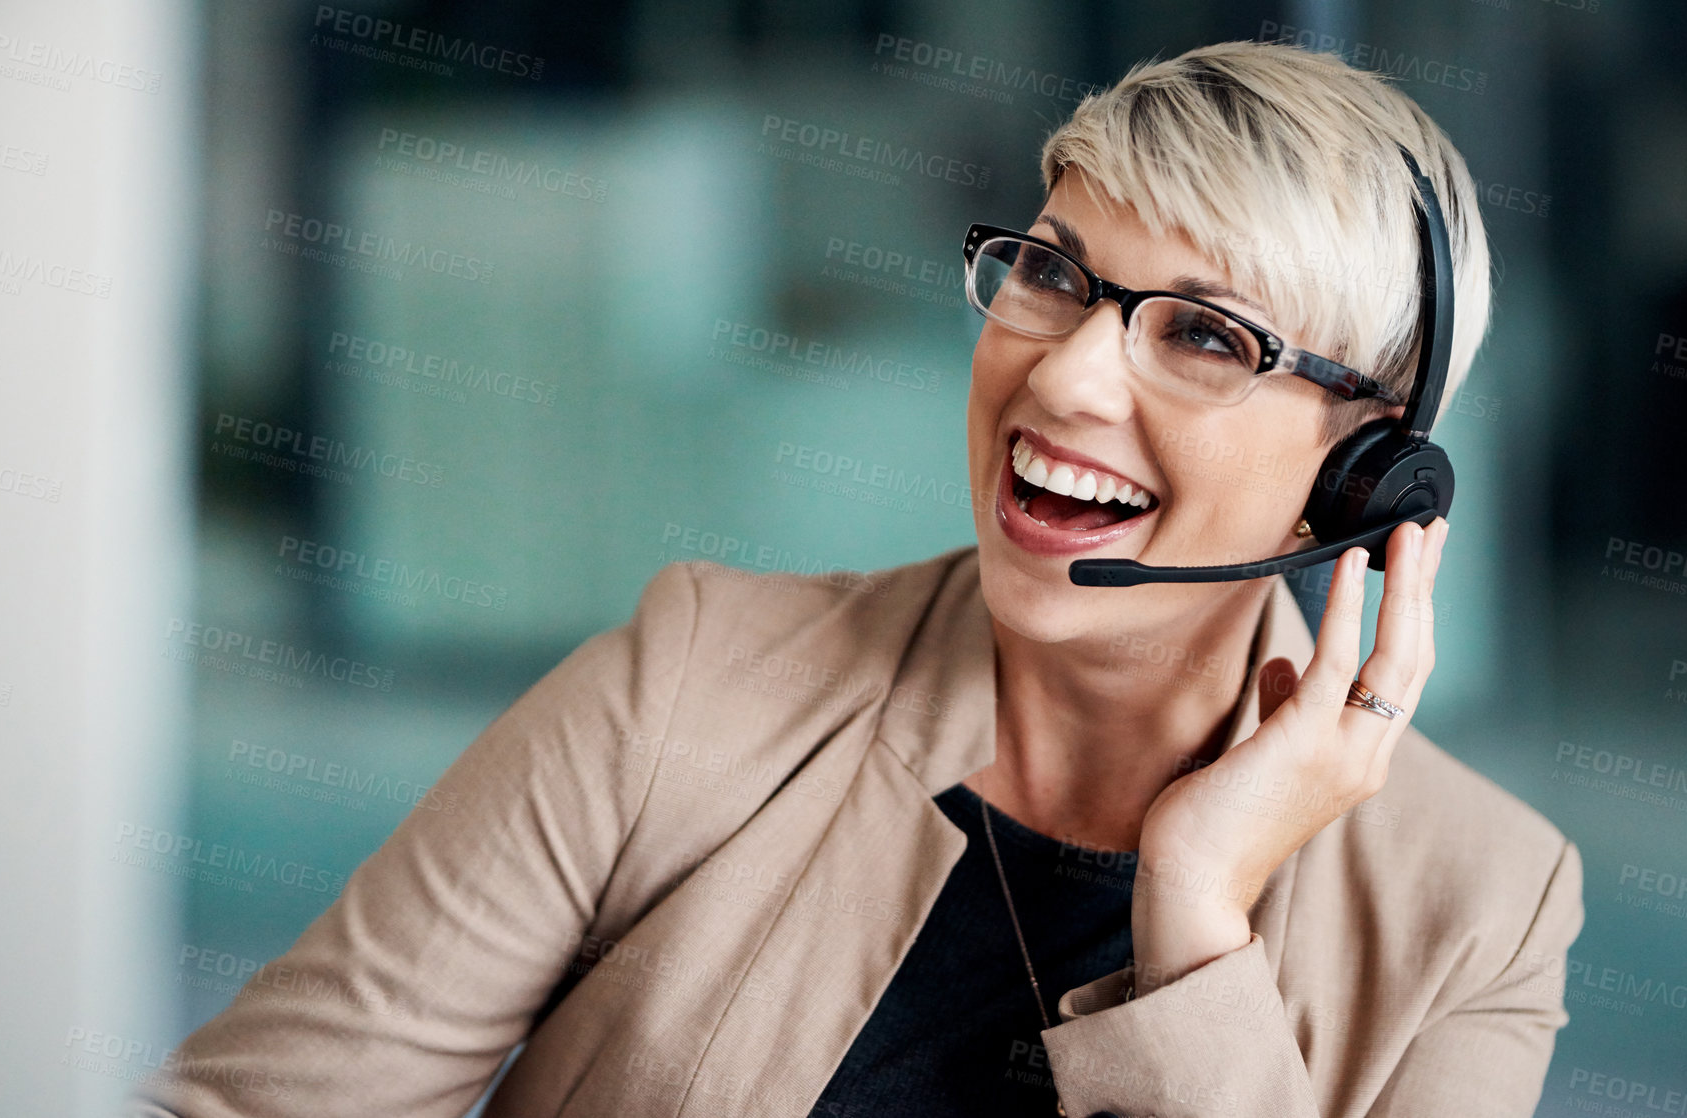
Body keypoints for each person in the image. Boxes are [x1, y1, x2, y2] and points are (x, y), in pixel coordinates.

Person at [131, 39, 1582, 1118]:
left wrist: (1197, 911)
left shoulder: (1485, 909)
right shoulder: (698, 679)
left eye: (1202, 335)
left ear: (1367, 474)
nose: (1065, 373)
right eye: (1055, 276)